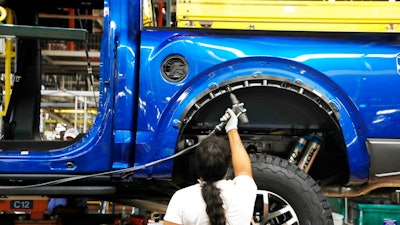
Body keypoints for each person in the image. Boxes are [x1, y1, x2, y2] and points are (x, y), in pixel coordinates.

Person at [164, 108, 257, 225]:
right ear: (228, 165)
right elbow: (243, 170)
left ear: (196, 166)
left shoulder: (182, 199)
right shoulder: (243, 192)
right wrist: (232, 129)